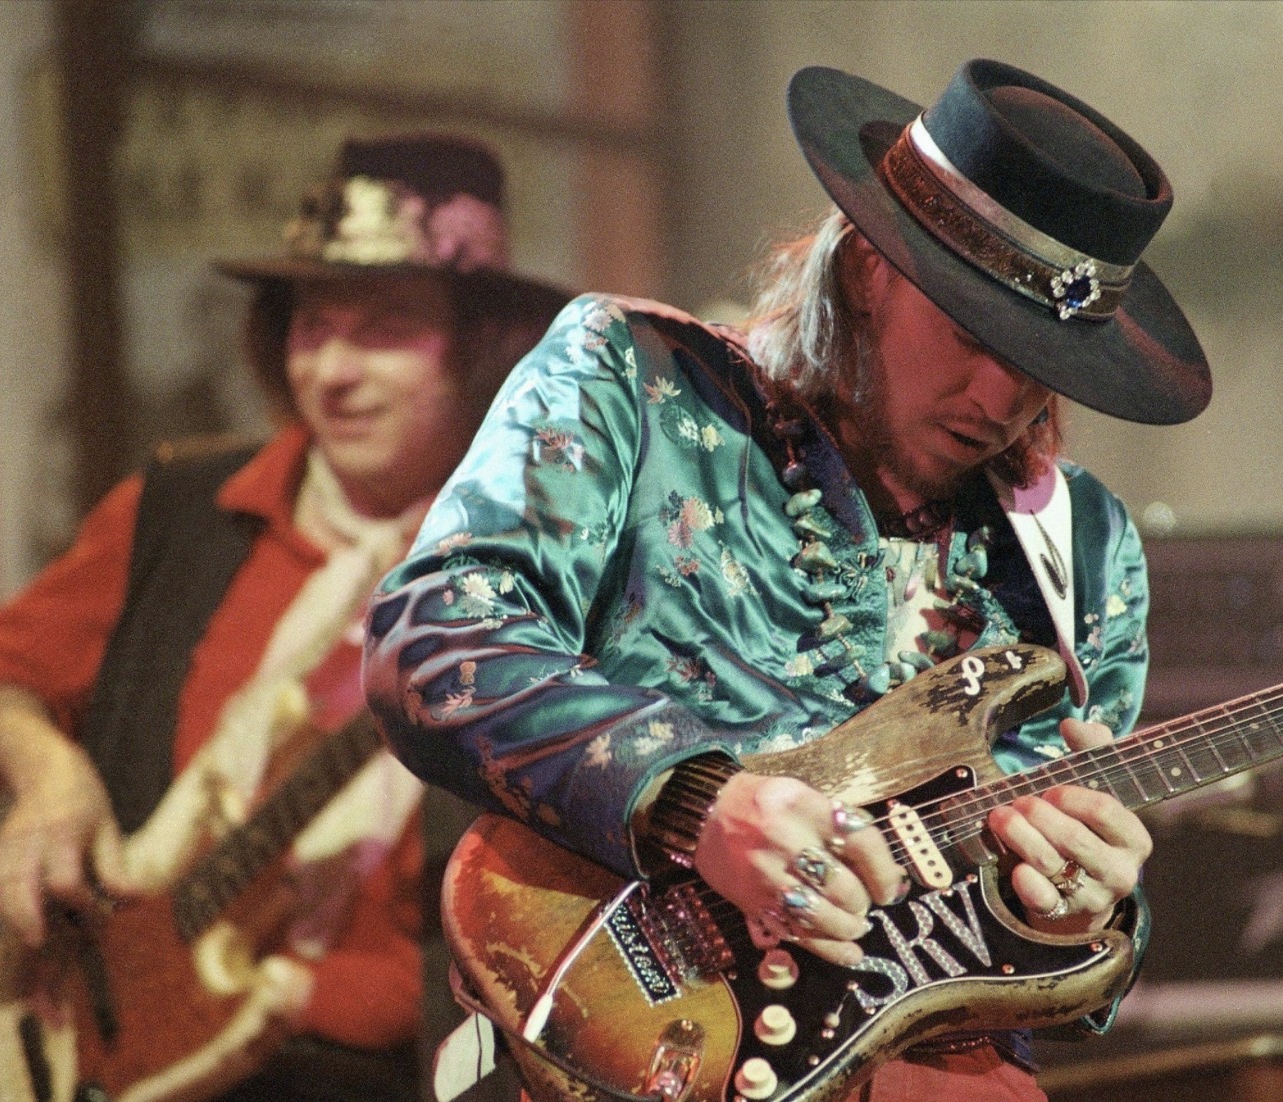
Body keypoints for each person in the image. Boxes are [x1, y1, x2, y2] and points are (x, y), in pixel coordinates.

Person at [366, 60, 1211, 1102]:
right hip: (625, 1046)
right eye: (971, 332)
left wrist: (1080, 911)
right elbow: (435, 635)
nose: (1000, 395)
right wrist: (695, 799)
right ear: (866, 272)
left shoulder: (1081, 547)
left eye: (1041, 363)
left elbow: (1034, 944)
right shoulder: (634, 376)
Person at [0, 134, 568, 1102]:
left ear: (483, 346)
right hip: (93, 1042)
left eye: (382, 328)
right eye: (310, 325)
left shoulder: (544, 578)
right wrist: (46, 774)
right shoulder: (182, 506)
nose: (330, 369)